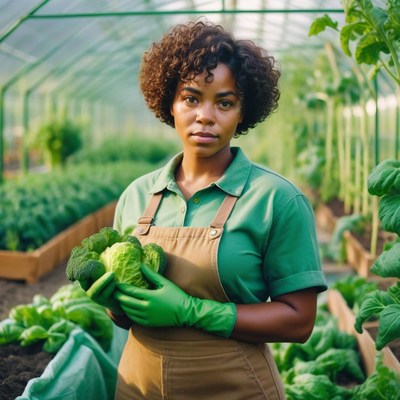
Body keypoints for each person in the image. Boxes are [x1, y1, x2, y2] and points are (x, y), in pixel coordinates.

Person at [88, 19, 327, 399]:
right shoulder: (136, 195)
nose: (206, 115)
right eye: (191, 97)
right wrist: (113, 305)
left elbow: (299, 321)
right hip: (138, 387)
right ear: (169, 102)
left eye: (225, 102)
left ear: (243, 113)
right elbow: (126, 314)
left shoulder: (277, 200)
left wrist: (191, 310)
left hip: (236, 388)